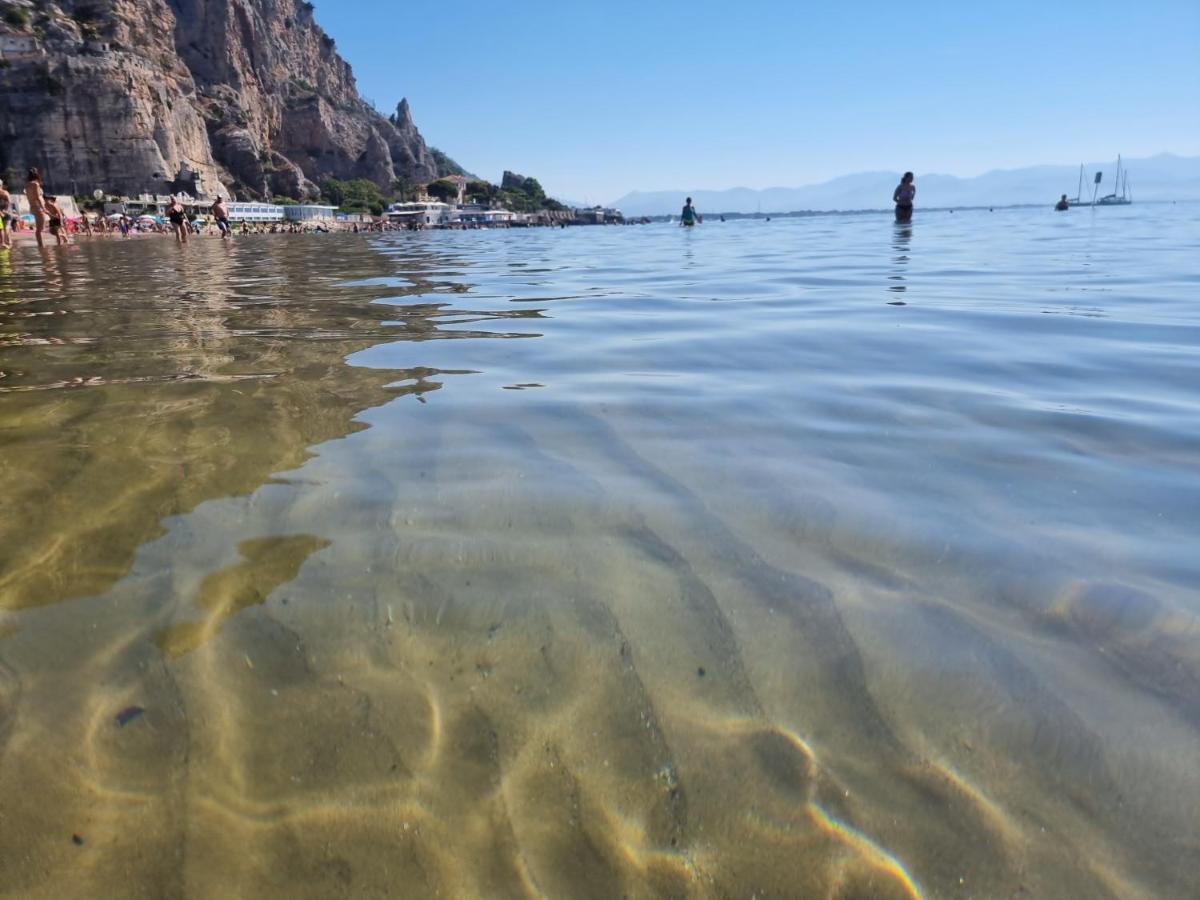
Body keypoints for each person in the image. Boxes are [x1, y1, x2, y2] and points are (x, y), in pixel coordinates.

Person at [24, 168, 47, 248]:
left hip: (33, 207)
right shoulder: (35, 184)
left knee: (39, 228)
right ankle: (41, 247)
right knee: (40, 229)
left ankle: (41, 245)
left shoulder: (27, 185)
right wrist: (43, 207)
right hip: (38, 207)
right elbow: (37, 197)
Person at [0, 177, 11, 250]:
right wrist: (5, 210)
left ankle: (4, 242)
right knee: (7, 226)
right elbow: (9, 202)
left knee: (1, 228)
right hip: (6, 211)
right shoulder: (5, 192)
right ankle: (8, 241)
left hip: (0, 212)